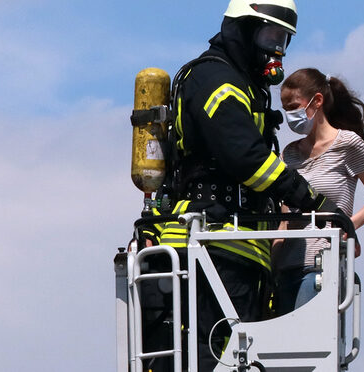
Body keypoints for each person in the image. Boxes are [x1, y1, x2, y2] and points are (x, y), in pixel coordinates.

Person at [139, 0, 342, 369]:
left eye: (283, 39)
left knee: (237, 356)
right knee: (214, 355)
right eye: (269, 35)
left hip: (236, 248)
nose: (276, 49)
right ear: (241, 30)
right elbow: (246, 158)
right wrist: (311, 200)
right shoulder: (216, 80)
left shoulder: (244, 85)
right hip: (211, 244)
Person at [270, 68, 364, 310]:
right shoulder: (289, 154)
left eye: (294, 106)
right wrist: (271, 270)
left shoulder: (346, 144)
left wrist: (349, 226)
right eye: (286, 110)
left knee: (305, 342)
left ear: (317, 101)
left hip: (321, 264)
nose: (291, 115)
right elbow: (284, 221)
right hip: (287, 268)